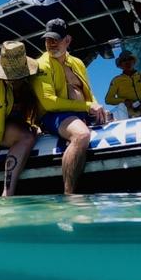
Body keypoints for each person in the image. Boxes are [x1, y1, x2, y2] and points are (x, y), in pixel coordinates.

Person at [31, 18, 108, 195]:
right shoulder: (41, 65)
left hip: (79, 111)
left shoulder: (78, 63)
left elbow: (87, 91)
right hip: (53, 115)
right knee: (82, 135)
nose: (51, 44)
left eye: (55, 39)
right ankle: (69, 194)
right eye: (47, 39)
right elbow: (49, 102)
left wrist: (95, 104)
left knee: (111, 118)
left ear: (67, 40)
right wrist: (88, 105)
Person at [0, 41, 39, 197]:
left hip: (14, 121)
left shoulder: (30, 81)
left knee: (32, 131)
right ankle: (7, 193)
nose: (11, 78)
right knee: (27, 137)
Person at [105, 50, 141, 118]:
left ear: (134, 62)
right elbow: (108, 99)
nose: (127, 62)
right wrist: (125, 101)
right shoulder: (116, 80)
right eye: (124, 60)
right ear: (120, 65)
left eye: (130, 59)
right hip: (128, 117)